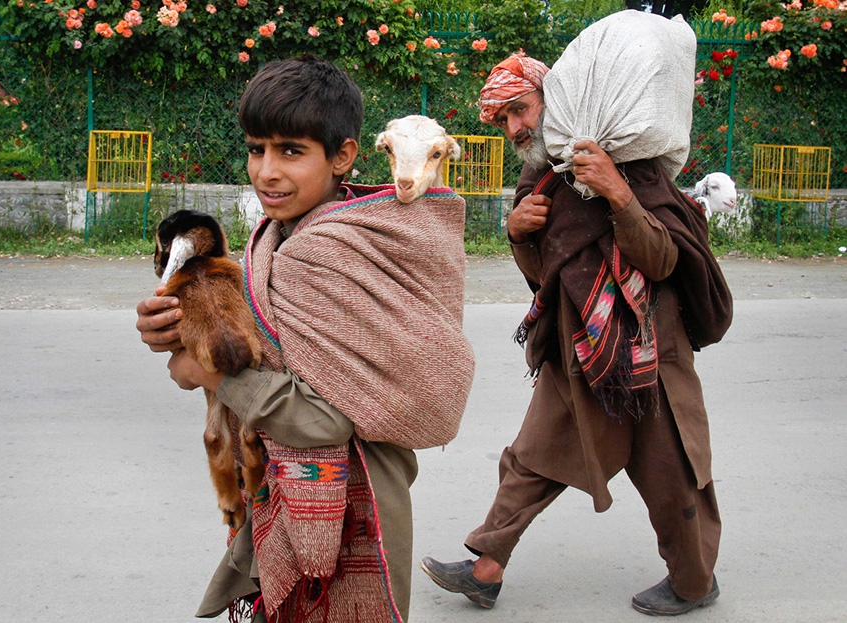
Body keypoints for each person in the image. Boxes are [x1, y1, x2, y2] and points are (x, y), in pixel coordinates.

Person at [136, 54, 474, 623]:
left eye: (291, 151)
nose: (267, 171)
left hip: (350, 512)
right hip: (300, 490)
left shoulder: (324, 251)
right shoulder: (285, 234)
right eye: (256, 148)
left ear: (343, 156)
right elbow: (264, 337)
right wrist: (179, 331)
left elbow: (324, 419)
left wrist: (208, 371)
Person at [420, 52, 732, 616]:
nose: (515, 127)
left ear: (554, 101)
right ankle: (486, 569)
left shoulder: (630, 166)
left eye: (521, 109)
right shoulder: (537, 180)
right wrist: (517, 234)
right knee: (531, 457)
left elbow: (662, 262)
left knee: (671, 478)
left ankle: (693, 583)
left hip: (647, 352)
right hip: (576, 349)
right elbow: (545, 279)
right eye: (502, 120)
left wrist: (619, 195)